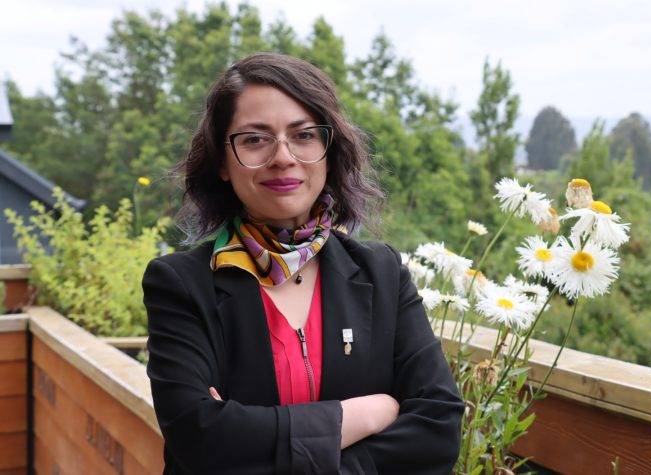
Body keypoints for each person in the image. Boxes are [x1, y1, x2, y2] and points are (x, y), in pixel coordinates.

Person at [142, 52, 464, 475]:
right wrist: (361, 416)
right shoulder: (182, 285)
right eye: (254, 139)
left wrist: (257, 441)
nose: (283, 157)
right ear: (222, 161)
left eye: (304, 135)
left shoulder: (381, 274)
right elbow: (200, 439)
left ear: (329, 150)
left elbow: (438, 429)